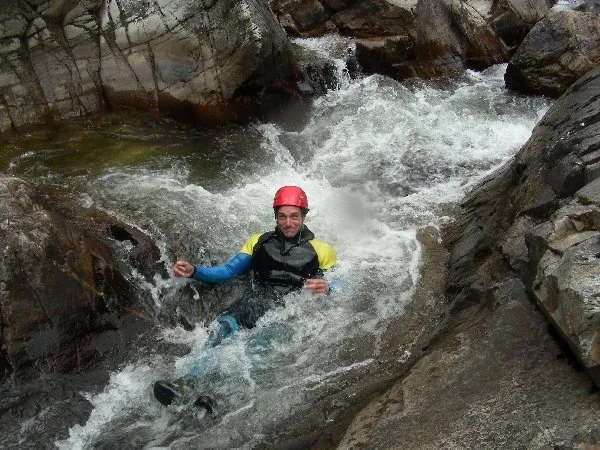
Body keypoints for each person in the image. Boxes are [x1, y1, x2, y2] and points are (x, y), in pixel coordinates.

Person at [154, 186, 337, 407]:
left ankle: (221, 396)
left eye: (294, 217)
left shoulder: (322, 251)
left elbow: (339, 282)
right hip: (253, 305)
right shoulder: (259, 242)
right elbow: (228, 271)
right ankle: (188, 381)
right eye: (282, 217)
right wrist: (195, 271)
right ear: (275, 217)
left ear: (304, 215)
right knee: (221, 329)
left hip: (285, 313)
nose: (288, 223)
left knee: (254, 348)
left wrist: (327, 287)